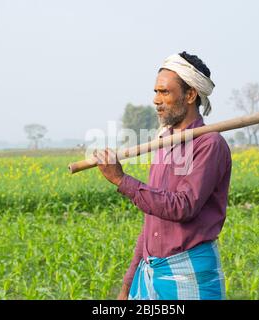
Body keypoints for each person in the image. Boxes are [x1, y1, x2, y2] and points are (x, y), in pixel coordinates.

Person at [93, 51, 232, 300]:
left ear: (190, 95)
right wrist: (128, 283)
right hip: (150, 273)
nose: (156, 100)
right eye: (156, 92)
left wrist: (121, 180)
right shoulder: (163, 142)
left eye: (165, 92)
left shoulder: (209, 144)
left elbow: (183, 207)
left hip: (190, 274)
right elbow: (152, 221)